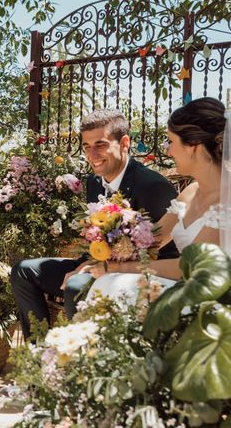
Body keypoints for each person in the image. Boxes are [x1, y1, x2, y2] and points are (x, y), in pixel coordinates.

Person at [10, 109, 179, 340]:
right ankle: (38, 352)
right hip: (97, 262)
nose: (92, 154)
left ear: (125, 143)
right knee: (24, 271)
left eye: (100, 144)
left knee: (76, 285)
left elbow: (159, 248)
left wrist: (88, 268)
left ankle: (78, 362)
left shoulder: (152, 186)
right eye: (87, 146)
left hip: (143, 271)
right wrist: (86, 264)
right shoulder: (93, 182)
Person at [87, 97, 227, 301]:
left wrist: (118, 268)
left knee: (112, 286)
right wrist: (104, 252)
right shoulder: (190, 192)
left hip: (208, 301)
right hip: (182, 288)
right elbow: (151, 240)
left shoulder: (227, 200)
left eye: (170, 141)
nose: (167, 150)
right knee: (107, 284)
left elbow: (188, 268)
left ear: (194, 145)